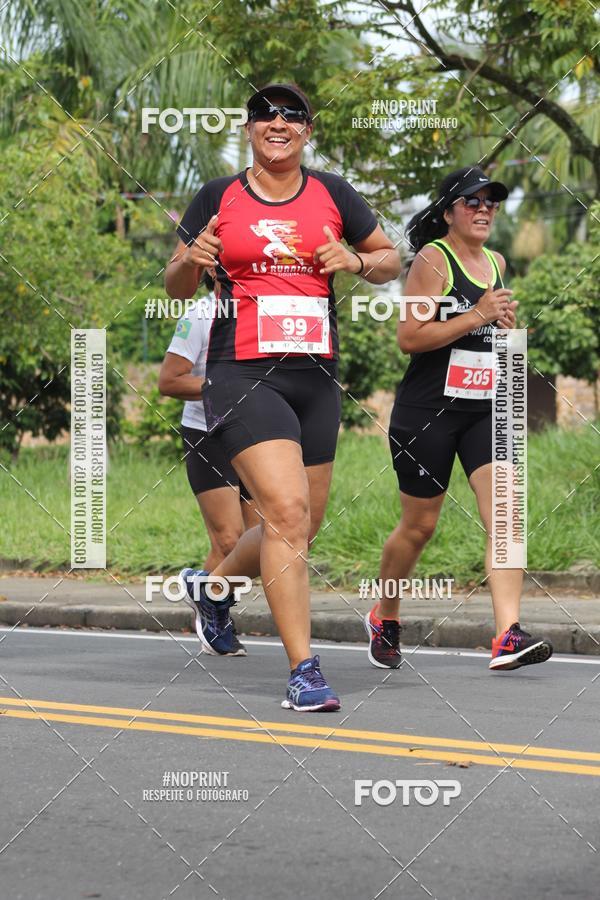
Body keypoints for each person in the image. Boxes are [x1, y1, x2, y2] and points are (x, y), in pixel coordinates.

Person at [165, 82, 400, 710]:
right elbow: (176, 277)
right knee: (287, 511)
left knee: (299, 525)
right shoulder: (218, 196)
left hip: (314, 374)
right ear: (248, 129)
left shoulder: (333, 193)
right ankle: (304, 671)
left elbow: (390, 260)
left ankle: (212, 587)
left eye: (290, 115)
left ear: (306, 129)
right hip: (240, 371)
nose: (278, 123)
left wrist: (353, 259)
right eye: (265, 115)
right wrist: (195, 256)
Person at [365, 166, 553, 672]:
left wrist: (508, 331)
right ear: (449, 211)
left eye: (491, 202)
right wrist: (478, 315)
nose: (484, 209)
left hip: (485, 408)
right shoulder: (433, 258)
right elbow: (410, 336)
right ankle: (385, 614)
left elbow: (489, 331)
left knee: (506, 516)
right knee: (418, 526)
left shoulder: (496, 261)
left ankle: (507, 635)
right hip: (427, 413)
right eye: (472, 201)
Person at [158, 293, 261, 656]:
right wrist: (224, 387)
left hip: (257, 433)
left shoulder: (270, 305)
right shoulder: (202, 312)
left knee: (263, 541)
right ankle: (217, 616)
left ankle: (207, 593)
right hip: (209, 433)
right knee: (229, 540)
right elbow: (169, 381)